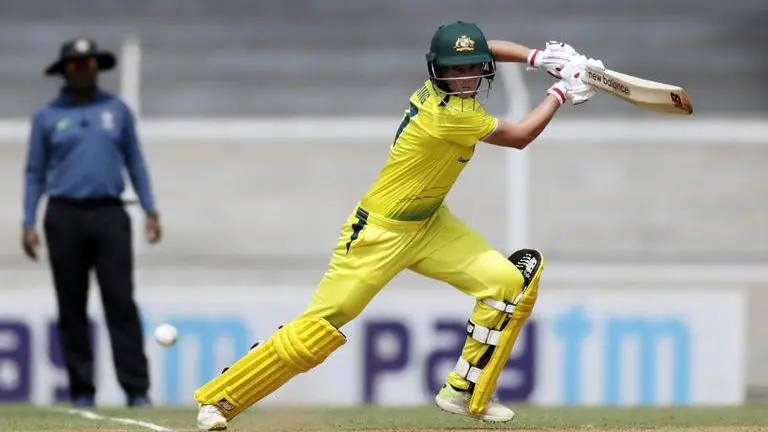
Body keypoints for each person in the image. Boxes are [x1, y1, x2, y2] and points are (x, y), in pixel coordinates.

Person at [193, 21, 601, 430]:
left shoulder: (458, 84)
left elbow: (483, 48)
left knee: (507, 283)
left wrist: (538, 57)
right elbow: (520, 136)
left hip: (431, 224)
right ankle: (220, 399)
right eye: (454, 70)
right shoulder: (450, 114)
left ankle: (463, 391)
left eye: (471, 68)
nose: (464, 77)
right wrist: (561, 91)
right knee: (319, 329)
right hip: (378, 233)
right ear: (436, 71)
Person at [22, 38, 162, 407]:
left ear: (97, 68)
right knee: (72, 305)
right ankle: (82, 391)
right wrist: (28, 220)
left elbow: (135, 161)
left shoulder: (117, 111)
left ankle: (136, 389)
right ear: (65, 71)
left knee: (120, 302)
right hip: (64, 215)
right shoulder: (47, 116)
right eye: (75, 65)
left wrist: (150, 210)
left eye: (89, 64)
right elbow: (35, 171)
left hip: (110, 214)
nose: (83, 71)